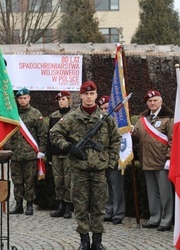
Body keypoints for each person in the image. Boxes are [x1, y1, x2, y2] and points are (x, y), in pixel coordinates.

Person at [50, 81, 121, 250]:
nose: (89, 97)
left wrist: (110, 162)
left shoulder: (106, 119)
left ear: (96, 95)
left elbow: (116, 140)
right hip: (79, 170)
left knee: (98, 206)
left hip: (98, 171)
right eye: (85, 94)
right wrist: (69, 147)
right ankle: (84, 241)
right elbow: (54, 133)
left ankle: (97, 241)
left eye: (92, 94)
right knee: (80, 207)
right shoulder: (72, 118)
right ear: (80, 96)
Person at [132, 90, 174, 232]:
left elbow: (173, 140)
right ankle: (155, 217)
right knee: (152, 192)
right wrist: (131, 131)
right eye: (150, 101)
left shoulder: (168, 118)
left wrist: (169, 158)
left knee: (165, 193)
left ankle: (166, 219)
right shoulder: (143, 118)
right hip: (147, 161)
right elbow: (136, 137)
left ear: (161, 101)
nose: (152, 103)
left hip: (162, 161)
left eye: (155, 100)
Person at [9, 88, 47, 216]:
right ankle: (18, 204)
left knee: (30, 180)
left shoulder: (36, 114)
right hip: (15, 154)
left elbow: (42, 134)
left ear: (29, 98)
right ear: (17, 99)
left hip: (30, 154)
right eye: (20, 98)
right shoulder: (12, 114)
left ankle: (29, 204)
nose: (23, 100)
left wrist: (41, 150)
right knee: (17, 181)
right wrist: (9, 147)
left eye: (25, 98)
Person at [97, 95, 125, 225]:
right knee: (106, 187)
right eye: (102, 108)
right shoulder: (100, 122)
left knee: (116, 187)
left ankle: (118, 213)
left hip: (115, 159)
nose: (105, 111)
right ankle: (108, 211)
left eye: (107, 108)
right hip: (103, 159)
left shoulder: (119, 122)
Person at [47, 90, 73, 219]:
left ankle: (68, 206)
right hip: (56, 153)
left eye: (63, 99)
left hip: (68, 153)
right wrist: (48, 154)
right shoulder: (54, 115)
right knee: (58, 181)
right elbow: (49, 136)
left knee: (68, 180)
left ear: (69, 100)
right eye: (59, 100)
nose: (61, 102)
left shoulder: (73, 115)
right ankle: (60, 205)